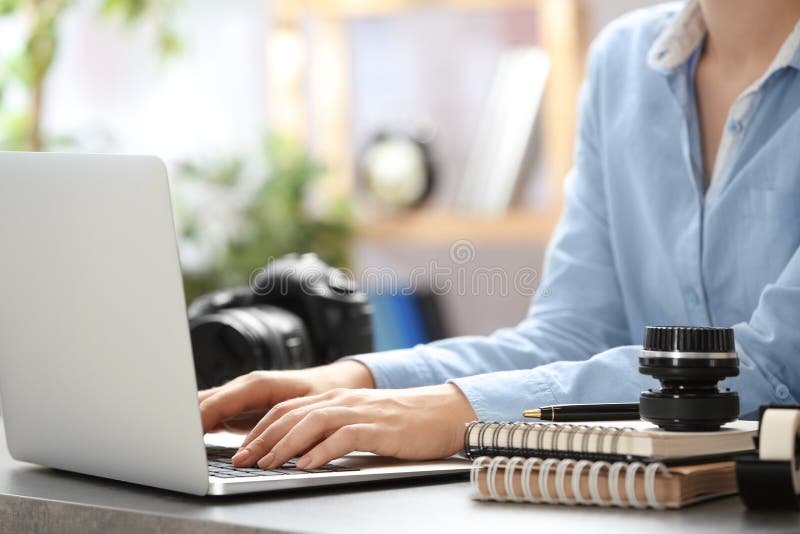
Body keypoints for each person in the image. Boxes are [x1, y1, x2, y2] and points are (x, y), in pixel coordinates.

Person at [199, 0, 800, 472]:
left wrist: (462, 411)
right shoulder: (624, 63)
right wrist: (355, 381)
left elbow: (778, 366)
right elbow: (573, 333)